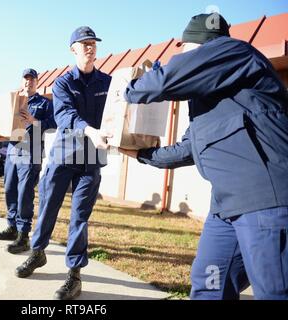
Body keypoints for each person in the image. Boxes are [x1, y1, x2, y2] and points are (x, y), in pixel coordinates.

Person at [119, 13, 288, 300]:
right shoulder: (212, 98)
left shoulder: (233, 51)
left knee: (273, 291)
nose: (181, 55)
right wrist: (139, 154)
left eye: (184, 48)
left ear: (197, 44)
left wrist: (126, 89)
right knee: (210, 282)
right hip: (226, 208)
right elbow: (188, 149)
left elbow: (160, 83)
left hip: (265, 202)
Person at [15, 27, 112, 300]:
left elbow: (121, 108)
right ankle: (38, 253)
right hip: (63, 157)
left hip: (91, 160)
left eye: (93, 43)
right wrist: (90, 130)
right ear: (73, 49)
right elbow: (65, 115)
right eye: (84, 44)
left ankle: (74, 276)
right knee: (47, 208)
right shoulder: (62, 83)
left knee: (80, 217)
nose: (90, 47)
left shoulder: (108, 82)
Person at [0, 69, 56, 254]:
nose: (29, 82)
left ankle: (23, 235)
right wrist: (0, 133)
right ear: (22, 82)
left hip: (31, 151)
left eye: (32, 79)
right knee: (9, 188)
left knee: (24, 193)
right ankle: (12, 227)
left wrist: (34, 121)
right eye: (25, 79)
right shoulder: (14, 102)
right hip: (13, 148)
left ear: (37, 82)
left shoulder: (45, 103)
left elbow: (55, 123)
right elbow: (4, 121)